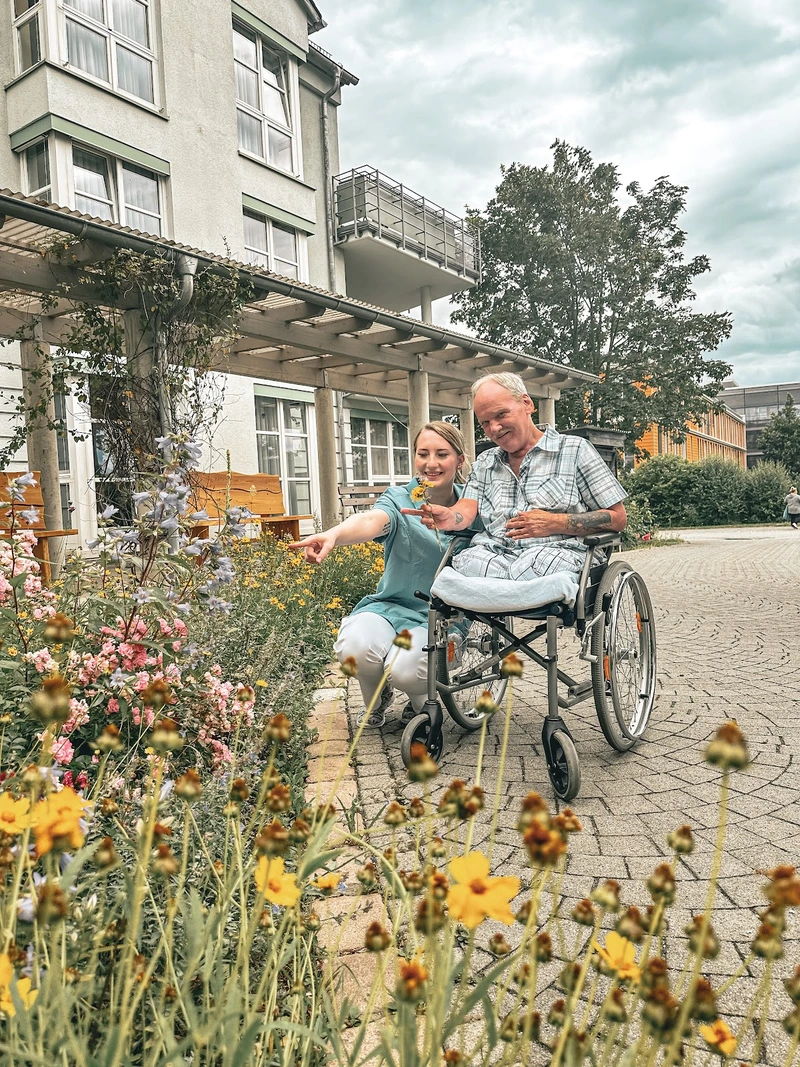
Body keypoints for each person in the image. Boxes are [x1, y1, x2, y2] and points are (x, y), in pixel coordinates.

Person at [290, 421, 468, 727]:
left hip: (444, 618)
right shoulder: (400, 499)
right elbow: (373, 520)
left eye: (442, 454)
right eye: (422, 454)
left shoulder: (470, 506)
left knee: (408, 669)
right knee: (354, 648)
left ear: (459, 460)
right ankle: (377, 696)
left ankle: (420, 705)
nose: (431, 463)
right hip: (391, 606)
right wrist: (333, 535)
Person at [403, 372, 627, 579]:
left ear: (527, 404)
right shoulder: (486, 462)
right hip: (496, 555)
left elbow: (618, 518)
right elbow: (466, 509)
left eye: (501, 414)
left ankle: (512, 593)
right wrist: (450, 517)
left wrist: (557, 522)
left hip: (557, 554)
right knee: (455, 571)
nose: (494, 429)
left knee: (536, 567)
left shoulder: (575, 450)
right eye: (485, 423)